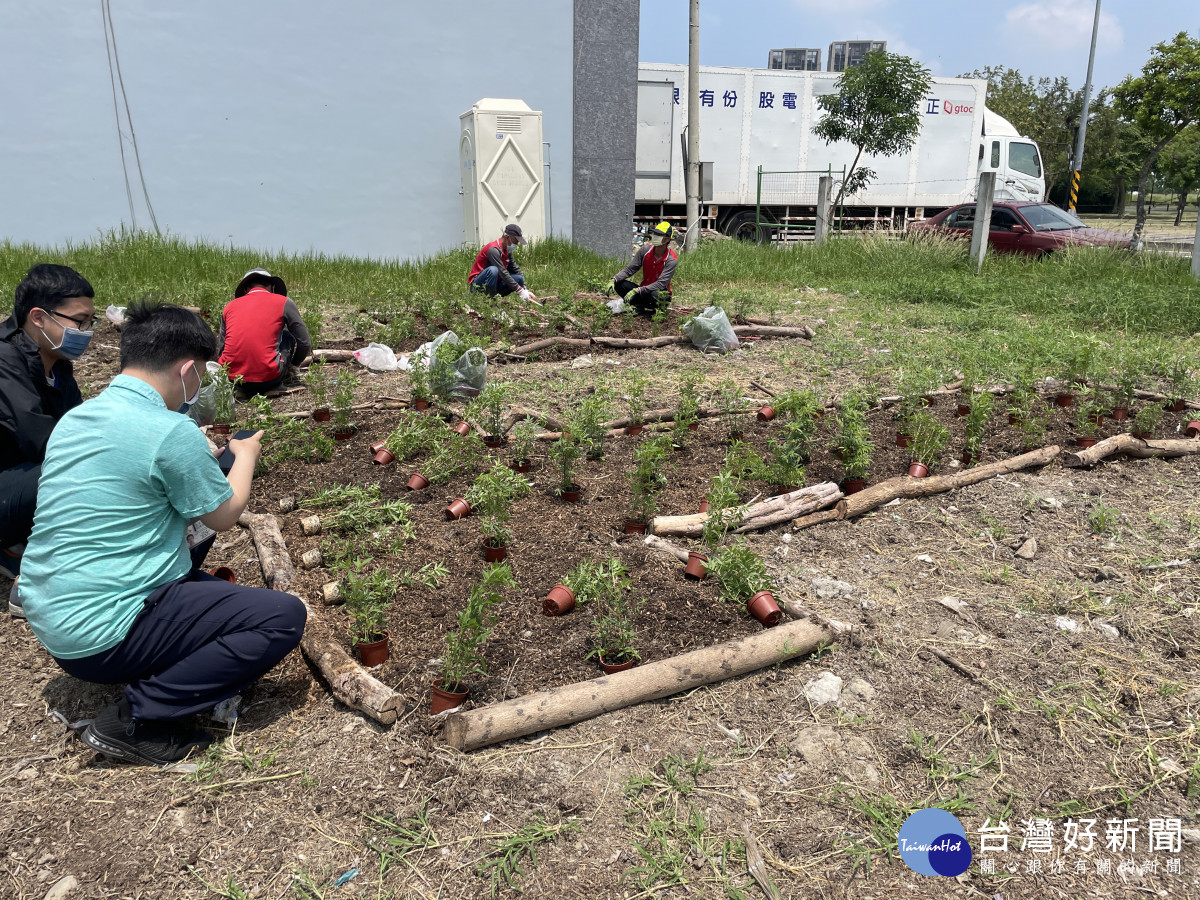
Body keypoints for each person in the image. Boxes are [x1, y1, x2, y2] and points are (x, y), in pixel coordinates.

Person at [19, 301, 306, 766]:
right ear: (187, 370)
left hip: (54, 623)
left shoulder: (76, 419)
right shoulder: (171, 430)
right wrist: (245, 454)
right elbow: (223, 516)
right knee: (281, 617)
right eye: (202, 375)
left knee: (210, 481)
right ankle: (136, 719)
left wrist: (206, 458)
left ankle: (162, 633)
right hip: (103, 635)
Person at [0, 264, 95, 616]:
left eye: (90, 323)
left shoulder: (56, 363)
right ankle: (38, 582)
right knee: (76, 471)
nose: (86, 332)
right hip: (13, 483)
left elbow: (76, 426)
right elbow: (44, 439)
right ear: (39, 317)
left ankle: (16, 546)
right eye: (79, 321)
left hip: (17, 479)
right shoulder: (4, 361)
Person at [217, 268, 311, 397]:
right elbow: (304, 342)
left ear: (245, 289)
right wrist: (294, 365)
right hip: (268, 378)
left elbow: (222, 348)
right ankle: (275, 385)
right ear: (272, 287)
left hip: (233, 379)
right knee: (287, 336)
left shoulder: (229, 306)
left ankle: (240, 390)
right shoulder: (284, 302)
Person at [611, 221, 678, 316]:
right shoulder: (645, 251)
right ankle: (638, 307)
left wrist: (638, 290)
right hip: (643, 291)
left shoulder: (671, 259)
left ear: (667, 239)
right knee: (619, 283)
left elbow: (661, 284)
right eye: (655, 233)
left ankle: (659, 311)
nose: (655, 236)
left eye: (659, 234)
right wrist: (615, 278)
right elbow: (630, 269)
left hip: (658, 294)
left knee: (657, 294)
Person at [468, 224, 538, 301]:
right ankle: (490, 302)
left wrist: (524, 289)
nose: (516, 244)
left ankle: (496, 298)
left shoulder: (508, 251)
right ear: (508, 237)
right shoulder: (493, 250)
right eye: (516, 241)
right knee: (493, 270)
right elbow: (502, 272)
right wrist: (519, 290)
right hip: (478, 285)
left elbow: (515, 269)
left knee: (519, 278)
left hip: (495, 283)